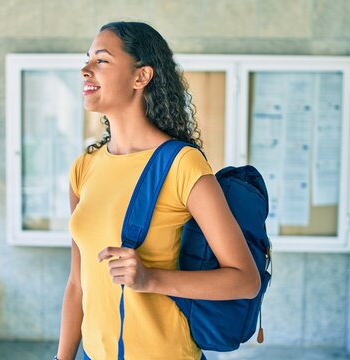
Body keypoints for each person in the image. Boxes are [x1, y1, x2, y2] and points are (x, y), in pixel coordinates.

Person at [55, 21, 261, 360]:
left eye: (101, 61)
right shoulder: (84, 167)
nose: (85, 69)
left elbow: (244, 279)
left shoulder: (183, 165)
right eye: (87, 59)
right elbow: (78, 284)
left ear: (141, 77)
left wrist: (150, 279)